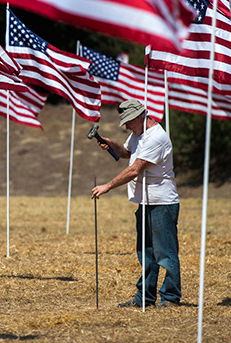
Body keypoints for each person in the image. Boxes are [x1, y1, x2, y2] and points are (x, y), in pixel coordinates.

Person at [91, 98, 181, 309]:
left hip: (162, 203)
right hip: (144, 201)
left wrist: (108, 186)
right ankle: (145, 297)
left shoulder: (156, 138)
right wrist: (110, 143)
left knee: (165, 254)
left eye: (129, 121)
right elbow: (127, 154)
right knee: (146, 252)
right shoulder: (138, 135)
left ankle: (170, 297)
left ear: (142, 116)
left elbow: (134, 169)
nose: (126, 126)